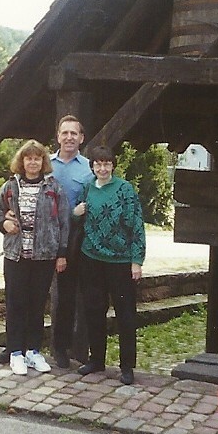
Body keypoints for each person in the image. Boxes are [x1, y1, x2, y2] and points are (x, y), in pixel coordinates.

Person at [0, 139, 69, 376]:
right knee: (16, 304)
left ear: (43, 162)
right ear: (22, 162)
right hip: (16, 256)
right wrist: (3, 223)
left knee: (37, 304)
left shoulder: (53, 187)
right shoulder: (11, 186)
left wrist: (61, 253)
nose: (33, 163)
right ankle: (15, 352)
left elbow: (64, 221)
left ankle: (33, 351)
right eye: (28, 158)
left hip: (44, 256)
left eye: (37, 158)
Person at [73, 145, 145, 385]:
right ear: (92, 166)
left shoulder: (125, 189)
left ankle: (127, 366)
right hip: (91, 258)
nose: (102, 168)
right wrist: (75, 213)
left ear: (113, 165)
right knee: (94, 311)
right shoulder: (87, 188)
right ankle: (96, 360)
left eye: (107, 164)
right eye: (98, 164)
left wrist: (136, 260)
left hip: (120, 261)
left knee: (125, 315)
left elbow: (137, 224)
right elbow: (76, 217)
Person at [50, 115, 93, 369]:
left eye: (73, 133)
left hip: (74, 240)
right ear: (58, 136)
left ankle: (66, 349)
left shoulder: (89, 169)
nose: (69, 137)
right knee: (36, 295)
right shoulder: (45, 164)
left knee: (70, 298)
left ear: (81, 138)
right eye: (64, 133)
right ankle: (26, 347)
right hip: (46, 239)